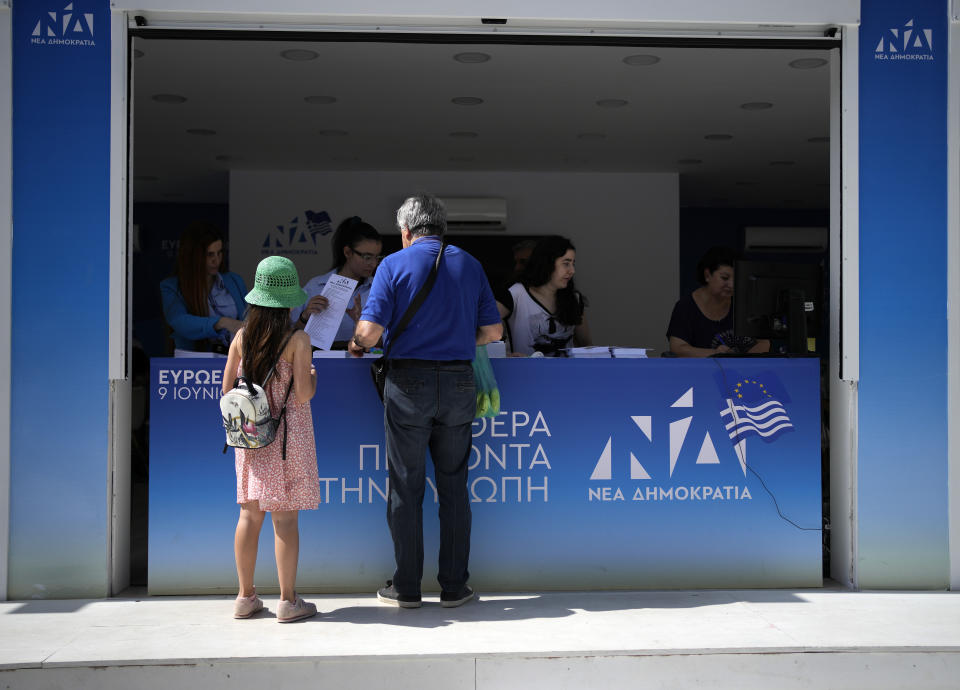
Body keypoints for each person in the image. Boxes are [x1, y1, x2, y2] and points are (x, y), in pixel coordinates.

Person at [348, 194, 502, 609]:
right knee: (454, 486)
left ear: (406, 232)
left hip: (408, 383)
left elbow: (369, 333)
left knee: (405, 486)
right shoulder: (470, 264)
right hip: (458, 382)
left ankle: (407, 587)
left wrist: (356, 342)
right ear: (441, 227)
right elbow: (493, 332)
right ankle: (454, 586)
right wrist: (453, 340)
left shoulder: (393, 265)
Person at [222, 255, 321, 623]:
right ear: (289, 300)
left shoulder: (241, 337)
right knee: (285, 520)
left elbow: (226, 388)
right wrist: (312, 376)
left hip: (249, 437)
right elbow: (304, 394)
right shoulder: (297, 338)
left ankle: (245, 597)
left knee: (249, 515)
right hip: (287, 441)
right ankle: (288, 600)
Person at [291, 216, 383, 348]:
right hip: (318, 366)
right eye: (367, 257)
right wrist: (304, 317)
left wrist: (362, 327)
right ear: (347, 252)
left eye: (377, 257)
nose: (373, 263)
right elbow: (289, 338)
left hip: (363, 366)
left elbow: (388, 341)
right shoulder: (315, 287)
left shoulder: (379, 288)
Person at [666, 246, 770, 357]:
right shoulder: (686, 307)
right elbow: (678, 348)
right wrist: (715, 354)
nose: (731, 285)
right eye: (725, 278)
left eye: (737, 279)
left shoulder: (746, 304)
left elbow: (764, 342)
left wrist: (742, 361)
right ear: (707, 275)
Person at [496, 235, 591, 356]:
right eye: (566, 263)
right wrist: (505, 356)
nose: (572, 270)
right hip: (527, 373)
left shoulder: (574, 298)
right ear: (547, 263)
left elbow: (586, 345)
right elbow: (480, 329)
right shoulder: (515, 295)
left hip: (567, 373)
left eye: (573, 263)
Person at [160, 222, 246, 353]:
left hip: (234, 360)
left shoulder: (234, 281)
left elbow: (248, 320)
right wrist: (222, 322)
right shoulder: (172, 287)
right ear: (193, 256)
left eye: (219, 253)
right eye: (210, 254)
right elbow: (180, 322)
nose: (216, 260)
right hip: (194, 365)